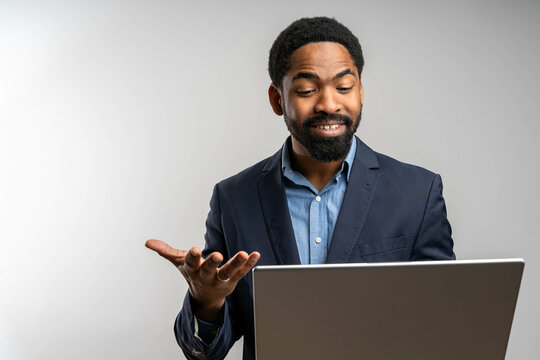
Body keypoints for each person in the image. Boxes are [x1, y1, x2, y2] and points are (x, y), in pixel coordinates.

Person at [146, 16, 455, 360]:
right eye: (307, 90)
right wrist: (207, 301)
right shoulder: (233, 199)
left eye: (344, 87)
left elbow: (445, 321)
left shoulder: (418, 192)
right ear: (277, 99)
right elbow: (207, 351)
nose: (328, 104)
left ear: (361, 92)